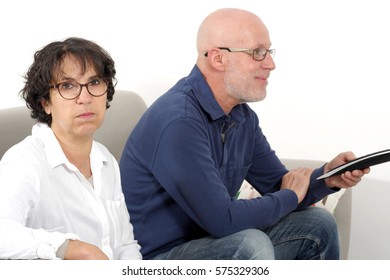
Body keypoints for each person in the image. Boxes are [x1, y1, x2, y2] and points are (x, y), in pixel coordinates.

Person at [119, 8, 369, 260]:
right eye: (258, 52)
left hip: (213, 242)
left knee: (317, 224)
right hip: (157, 259)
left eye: (269, 52)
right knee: (249, 244)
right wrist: (290, 195)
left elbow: (278, 185)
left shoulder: (242, 116)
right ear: (218, 59)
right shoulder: (178, 121)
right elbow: (224, 221)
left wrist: (328, 178)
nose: (271, 64)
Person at [0, 37, 142, 260]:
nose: (84, 98)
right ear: (45, 103)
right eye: (67, 86)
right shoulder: (24, 162)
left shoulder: (105, 159)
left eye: (94, 82)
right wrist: (70, 248)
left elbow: (125, 245)